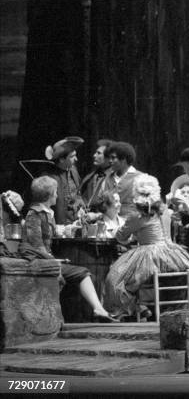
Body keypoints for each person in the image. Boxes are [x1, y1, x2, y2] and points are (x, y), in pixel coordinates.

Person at [104, 174, 189, 320]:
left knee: (114, 278)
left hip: (150, 256)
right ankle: (153, 308)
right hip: (173, 255)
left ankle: (133, 309)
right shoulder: (165, 211)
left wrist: (133, 238)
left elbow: (120, 237)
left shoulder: (137, 216)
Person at [19, 176, 117, 322]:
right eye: (55, 192)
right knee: (80, 272)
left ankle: (98, 309)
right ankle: (94, 309)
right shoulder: (34, 214)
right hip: (38, 261)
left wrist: (70, 227)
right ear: (49, 195)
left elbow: (51, 232)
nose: (57, 195)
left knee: (82, 272)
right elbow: (37, 246)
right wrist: (54, 261)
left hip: (46, 259)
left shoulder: (46, 213)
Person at [42, 136, 86, 224]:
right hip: (60, 227)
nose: (76, 159)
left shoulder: (73, 170)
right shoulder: (49, 178)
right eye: (72, 156)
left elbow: (77, 194)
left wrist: (81, 207)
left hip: (76, 223)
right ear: (62, 159)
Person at [103, 141, 142, 218]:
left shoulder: (140, 178)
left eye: (113, 158)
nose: (110, 161)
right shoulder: (107, 178)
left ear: (124, 159)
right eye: (109, 158)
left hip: (132, 224)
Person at [80, 139, 113, 208]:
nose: (94, 155)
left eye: (99, 153)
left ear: (110, 158)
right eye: (95, 152)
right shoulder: (91, 175)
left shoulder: (112, 178)